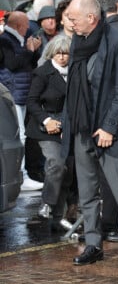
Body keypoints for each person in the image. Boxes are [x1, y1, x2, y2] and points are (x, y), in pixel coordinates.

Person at [60, 0, 118, 268]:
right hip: (82, 128)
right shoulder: (78, 42)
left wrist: (108, 127)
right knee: (87, 192)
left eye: (73, 18)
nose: (69, 23)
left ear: (91, 18)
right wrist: (68, 123)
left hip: (109, 131)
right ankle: (93, 244)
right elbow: (72, 85)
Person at [25, 35, 75, 229]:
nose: (62, 57)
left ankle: (59, 215)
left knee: (69, 170)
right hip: (45, 126)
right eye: (58, 53)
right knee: (56, 164)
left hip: (67, 125)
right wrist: (47, 120)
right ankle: (47, 204)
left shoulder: (75, 73)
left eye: (65, 53)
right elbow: (32, 101)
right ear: (51, 53)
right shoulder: (43, 72)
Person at [0, 11, 43, 191]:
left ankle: (23, 174)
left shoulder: (15, 40)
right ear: (19, 25)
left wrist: (34, 52)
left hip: (20, 92)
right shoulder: (5, 40)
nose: (28, 29)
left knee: (23, 135)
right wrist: (29, 51)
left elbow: (28, 65)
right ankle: (21, 175)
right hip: (13, 93)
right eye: (26, 26)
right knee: (20, 135)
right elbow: (12, 64)